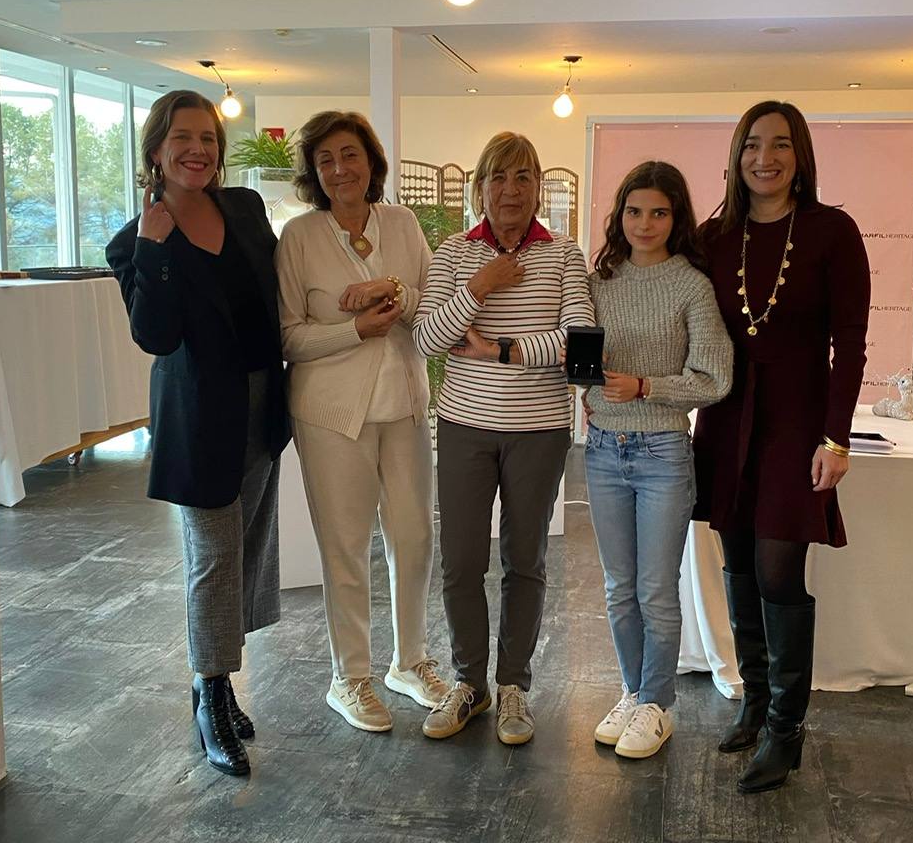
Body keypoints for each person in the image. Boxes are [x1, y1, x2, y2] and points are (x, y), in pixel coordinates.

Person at [106, 90, 289, 778]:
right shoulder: (134, 240)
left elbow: (278, 289)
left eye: (208, 138)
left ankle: (214, 679)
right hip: (198, 418)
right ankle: (213, 692)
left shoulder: (243, 207)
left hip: (261, 403)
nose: (198, 150)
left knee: (245, 550)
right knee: (213, 556)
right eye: (183, 138)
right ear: (156, 149)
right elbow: (155, 335)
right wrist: (154, 250)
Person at [692, 101, 870, 793]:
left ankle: (786, 732)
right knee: (736, 561)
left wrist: (837, 436)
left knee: (775, 572)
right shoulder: (714, 237)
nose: (764, 158)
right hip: (729, 413)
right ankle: (755, 702)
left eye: (780, 145)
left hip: (798, 416)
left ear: (801, 157)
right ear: (736, 157)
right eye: (752, 145)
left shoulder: (832, 231)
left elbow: (850, 343)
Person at [413, 131, 595, 745]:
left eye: (523, 178)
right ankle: (471, 683)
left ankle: (514, 684)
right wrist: (481, 287)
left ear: (539, 187)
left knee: (525, 562)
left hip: (539, 432)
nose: (510, 191)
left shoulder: (566, 255)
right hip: (463, 427)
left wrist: (501, 349)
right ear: (479, 188)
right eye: (498, 178)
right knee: (461, 561)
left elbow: (582, 345)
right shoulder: (452, 254)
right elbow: (427, 340)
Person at [276, 110, 448, 733]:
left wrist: (388, 292)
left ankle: (410, 661)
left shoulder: (402, 223)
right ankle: (349, 676)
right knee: (344, 548)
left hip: (402, 405)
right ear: (313, 173)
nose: (339, 170)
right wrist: (354, 329)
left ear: (372, 162)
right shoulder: (299, 237)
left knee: (413, 536)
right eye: (325, 161)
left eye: (349, 156)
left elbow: (430, 311)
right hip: (329, 416)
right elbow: (289, 336)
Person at [583, 161, 733, 759]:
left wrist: (646, 387)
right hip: (601, 450)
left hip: (664, 450)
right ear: (620, 216)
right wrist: (588, 394)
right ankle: (631, 691)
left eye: (659, 212)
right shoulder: (601, 281)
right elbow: (582, 358)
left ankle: (657, 704)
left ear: (677, 218)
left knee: (654, 590)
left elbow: (715, 376)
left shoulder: (691, 285)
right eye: (634, 211)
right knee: (619, 587)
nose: (644, 223)